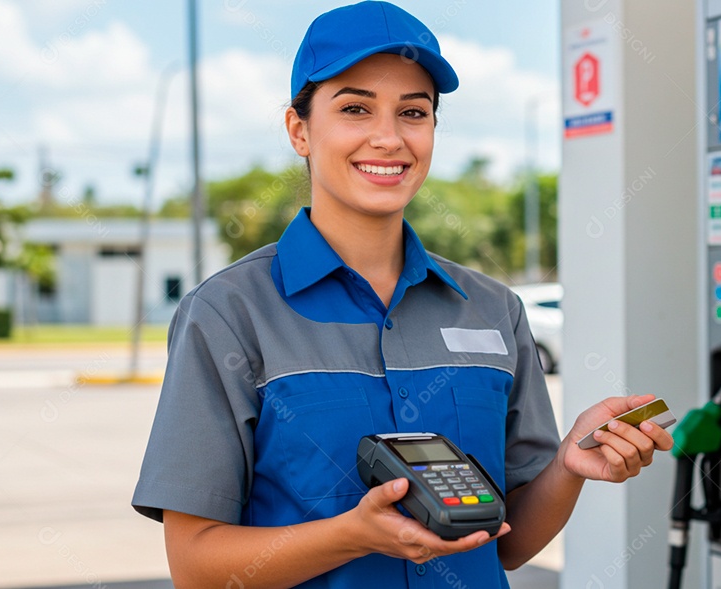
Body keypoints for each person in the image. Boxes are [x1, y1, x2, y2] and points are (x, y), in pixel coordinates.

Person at [132, 3, 673, 587]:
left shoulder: (494, 310)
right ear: (300, 130)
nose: (388, 138)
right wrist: (351, 535)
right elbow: (195, 565)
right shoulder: (229, 314)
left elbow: (507, 545)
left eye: (412, 112)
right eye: (355, 109)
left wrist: (569, 463)